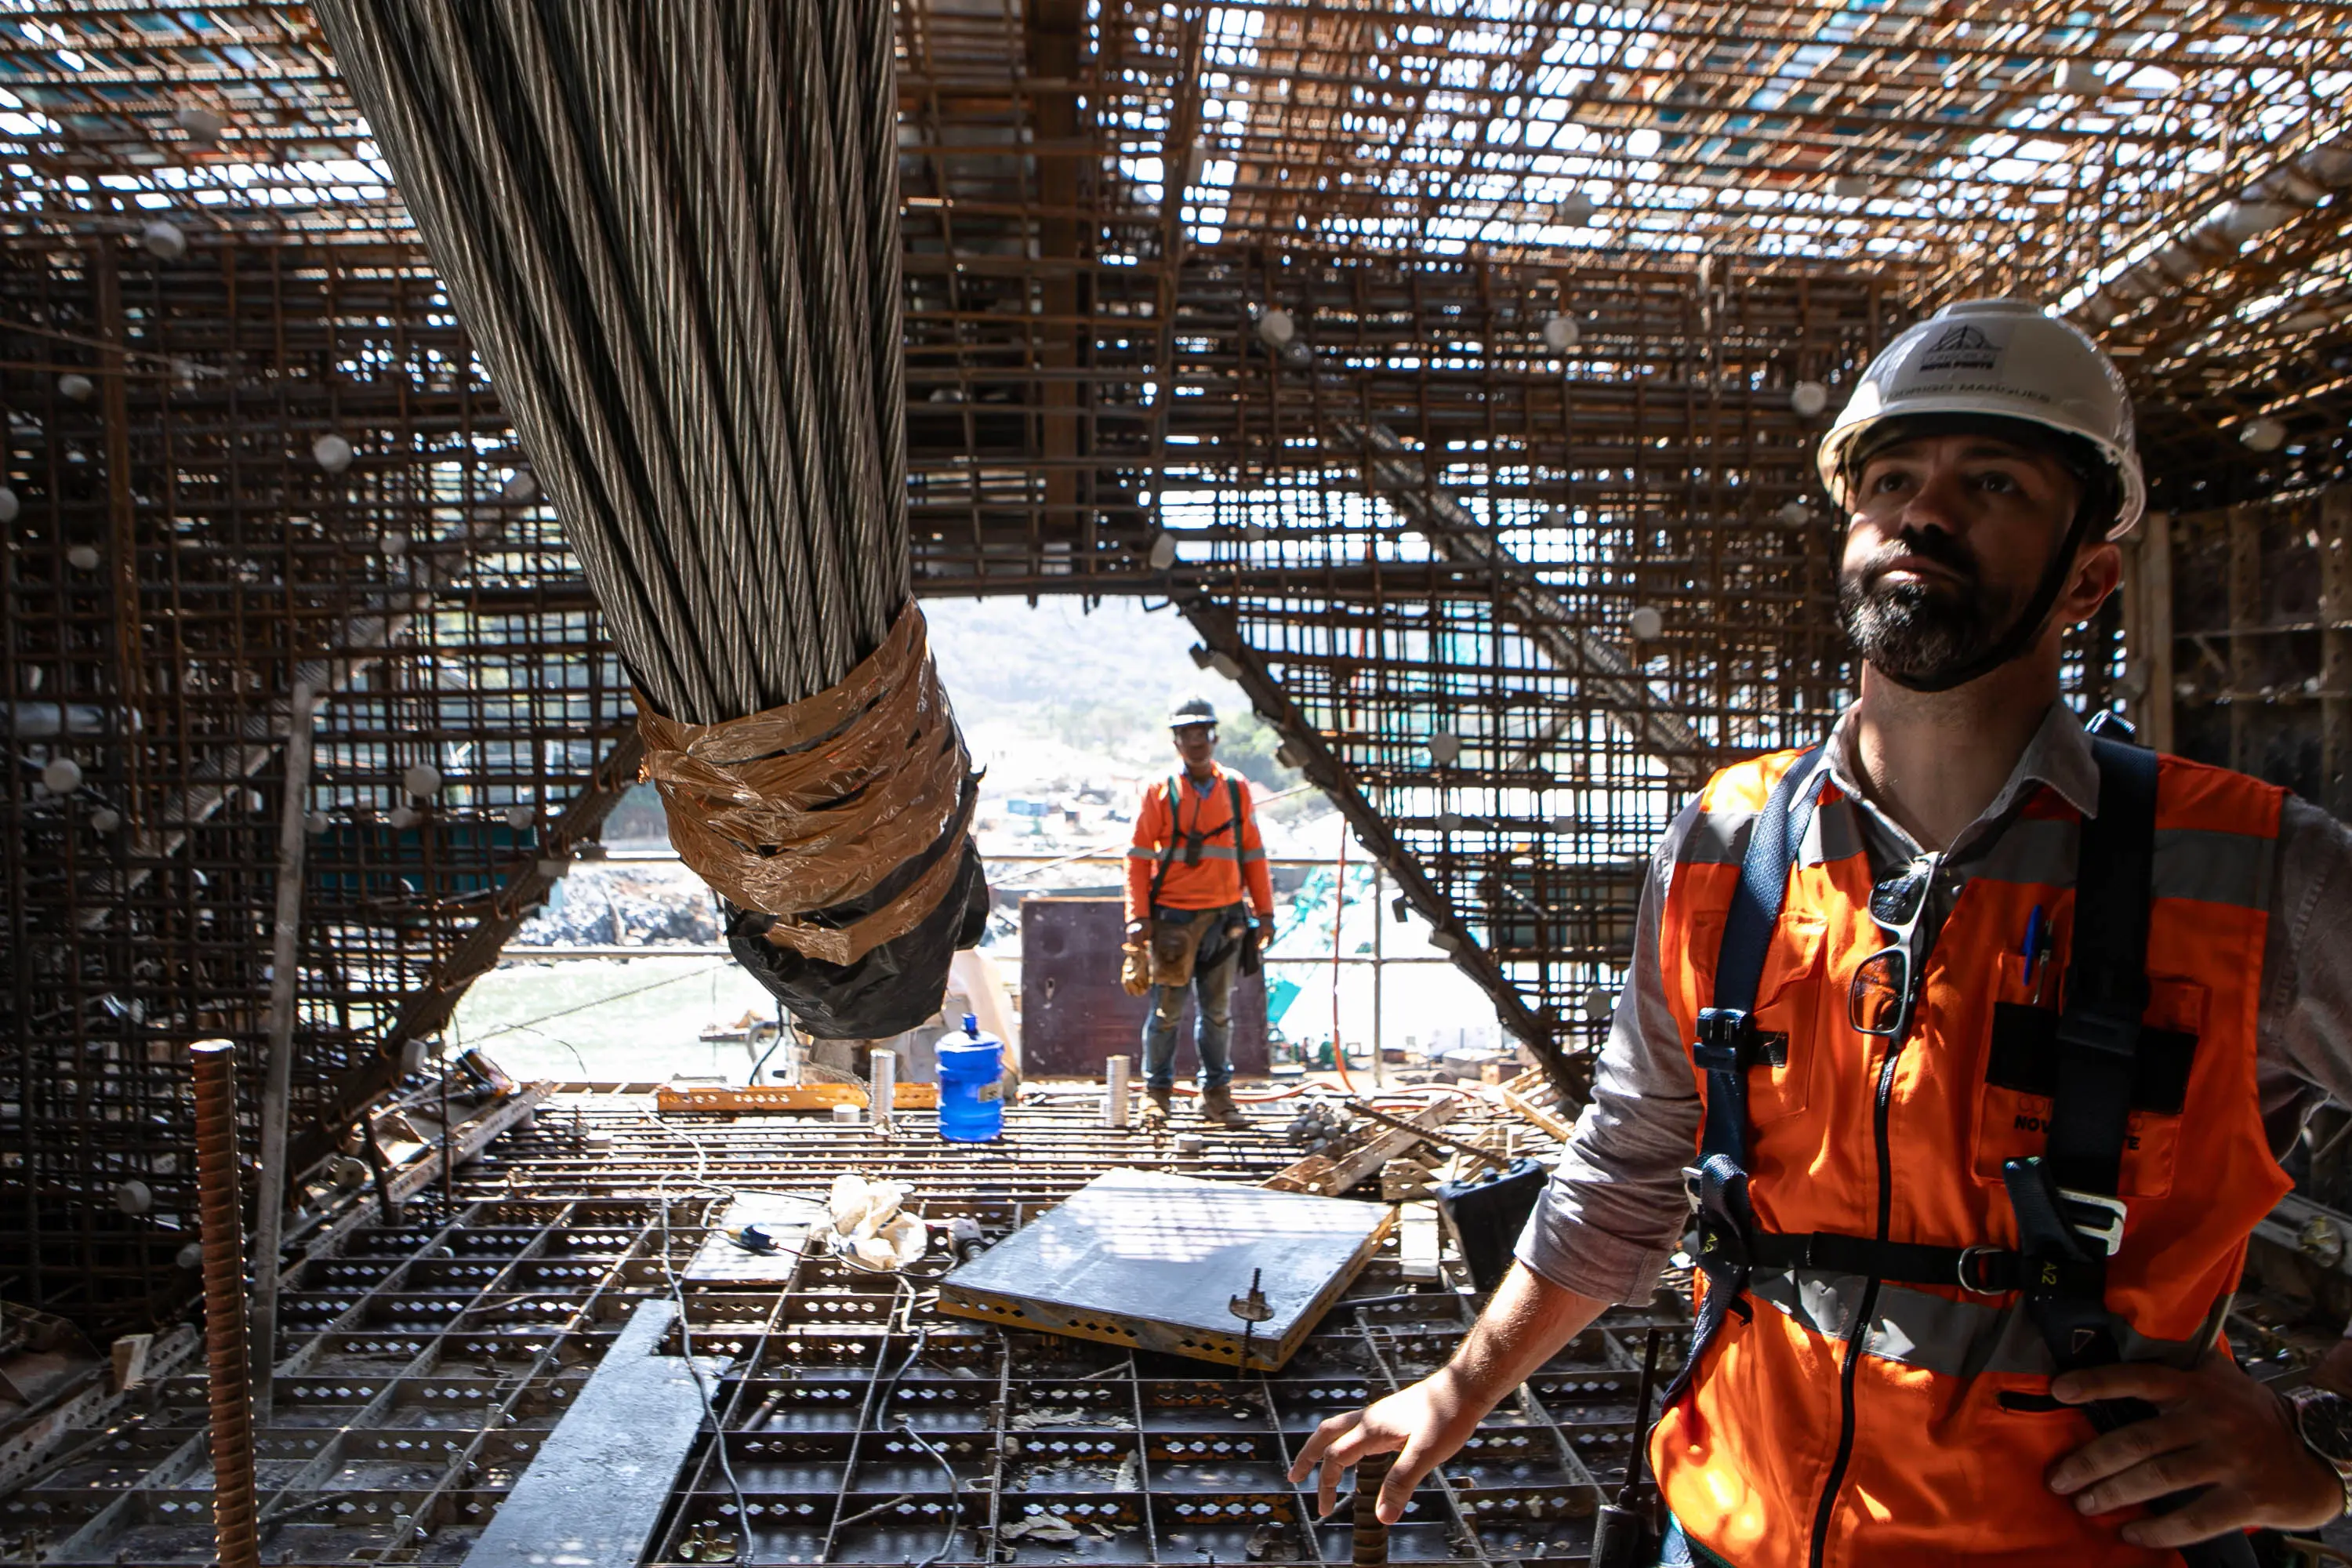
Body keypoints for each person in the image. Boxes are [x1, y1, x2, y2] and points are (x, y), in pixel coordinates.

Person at [1288, 298, 2352, 1566]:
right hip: (1737, 1526)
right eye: (1891, 479)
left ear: (2089, 571)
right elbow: (1627, 1172)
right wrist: (1456, 1390)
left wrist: (2323, 1435)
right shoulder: (1730, 846)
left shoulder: (2254, 873)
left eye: (1994, 481)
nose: (1924, 512)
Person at [1123, 697, 1276, 1127]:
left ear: (1214, 737)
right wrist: (1138, 915)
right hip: (1174, 920)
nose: (1196, 742)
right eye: (1187, 735)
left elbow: (1253, 853)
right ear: (1176, 740)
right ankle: (1157, 1096)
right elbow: (1137, 855)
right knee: (1166, 1013)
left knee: (1217, 1012)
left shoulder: (1234, 788)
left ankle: (1216, 1096)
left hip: (1225, 919)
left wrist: (1264, 912)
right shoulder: (1159, 791)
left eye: (1202, 734)